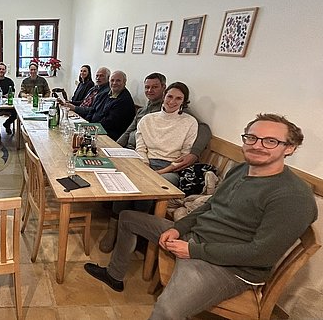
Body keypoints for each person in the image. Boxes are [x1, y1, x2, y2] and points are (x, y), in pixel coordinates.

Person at [84, 114, 317, 320]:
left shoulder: (293, 195)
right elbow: (210, 206)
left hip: (229, 267)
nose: (258, 145)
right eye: (252, 138)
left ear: (290, 148)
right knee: (128, 217)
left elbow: (261, 254)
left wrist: (192, 251)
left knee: (166, 311)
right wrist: (178, 228)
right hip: (194, 238)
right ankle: (115, 275)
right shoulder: (240, 169)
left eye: (271, 141)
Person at [101, 74, 211, 252]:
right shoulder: (147, 119)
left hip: (170, 168)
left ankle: (134, 234)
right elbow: (141, 147)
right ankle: (113, 229)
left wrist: (160, 172)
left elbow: (184, 155)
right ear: (164, 96)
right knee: (125, 182)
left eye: (178, 98)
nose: (173, 101)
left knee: (150, 186)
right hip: (144, 161)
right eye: (170, 96)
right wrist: (143, 166)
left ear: (184, 101)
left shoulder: (190, 122)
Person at [117, 73, 211, 170]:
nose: (150, 90)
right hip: (136, 154)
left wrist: (195, 153)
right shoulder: (143, 111)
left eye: (155, 87)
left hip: (160, 162)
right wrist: (115, 147)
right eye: (147, 87)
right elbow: (128, 132)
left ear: (163, 88)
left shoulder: (180, 113)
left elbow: (203, 128)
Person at [85, 70, 135, 141]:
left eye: (118, 81)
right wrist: (86, 123)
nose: (114, 83)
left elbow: (109, 123)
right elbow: (92, 110)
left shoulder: (124, 100)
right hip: (96, 128)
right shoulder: (106, 94)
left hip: (110, 135)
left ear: (124, 82)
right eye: (112, 80)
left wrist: (90, 128)